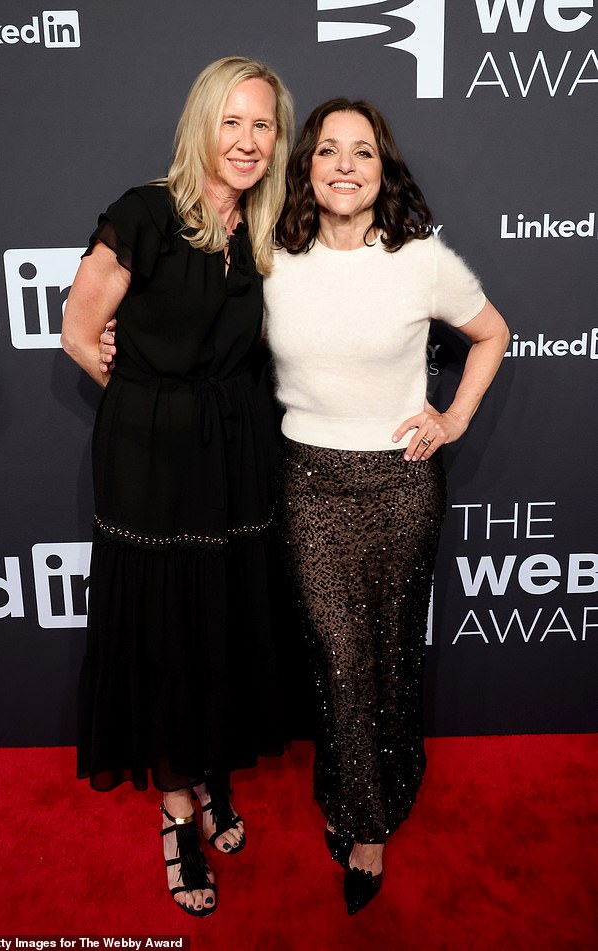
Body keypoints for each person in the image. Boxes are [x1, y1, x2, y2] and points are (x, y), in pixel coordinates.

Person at [264, 98, 510, 915]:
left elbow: (493, 333)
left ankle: (371, 817)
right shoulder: (274, 257)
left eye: (360, 152)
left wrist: (455, 417)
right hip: (309, 482)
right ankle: (360, 793)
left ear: (382, 169)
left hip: (401, 485)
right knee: (338, 659)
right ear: (305, 166)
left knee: (391, 653)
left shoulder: (419, 259)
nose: (342, 164)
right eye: (327, 149)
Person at [61, 56, 294, 918]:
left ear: (278, 139)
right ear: (201, 125)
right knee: (168, 627)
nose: (245, 141)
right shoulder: (145, 214)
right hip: (154, 462)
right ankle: (175, 811)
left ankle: (213, 775)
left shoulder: (265, 234)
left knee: (225, 618)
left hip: (237, 454)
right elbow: (79, 333)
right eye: (230, 122)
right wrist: (151, 406)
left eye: (261, 125)